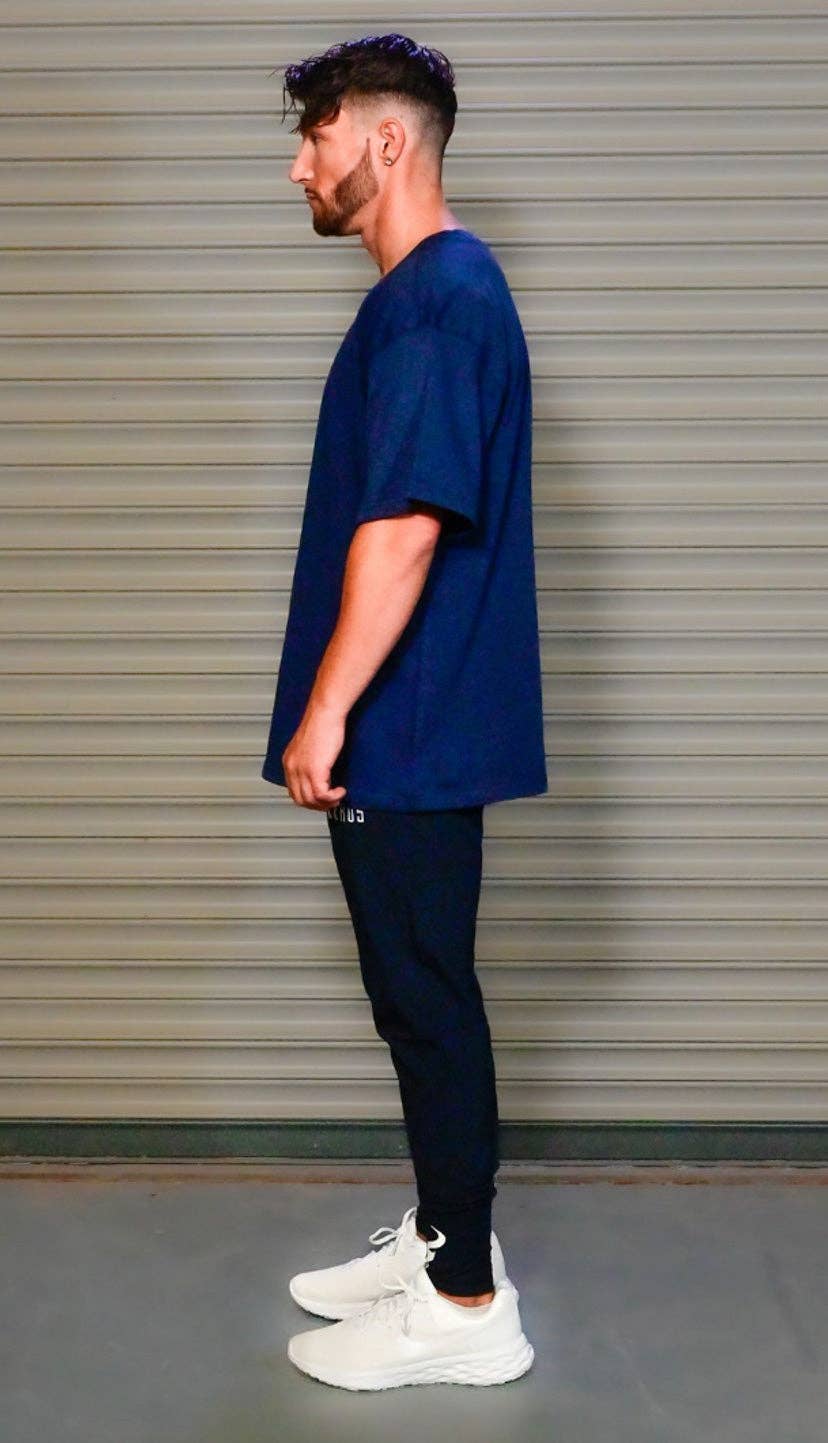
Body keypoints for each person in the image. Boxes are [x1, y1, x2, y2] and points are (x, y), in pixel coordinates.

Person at [260, 32, 547, 1390]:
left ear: (385, 139)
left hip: (407, 727)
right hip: (414, 722)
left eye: (315, 135)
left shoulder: (437, 301)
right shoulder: (431, 296)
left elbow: (409, 528)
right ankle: (441, 1237)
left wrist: (325, 714)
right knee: (416, 996)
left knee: (426, 1001)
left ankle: (467, 1303)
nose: (297, 167)